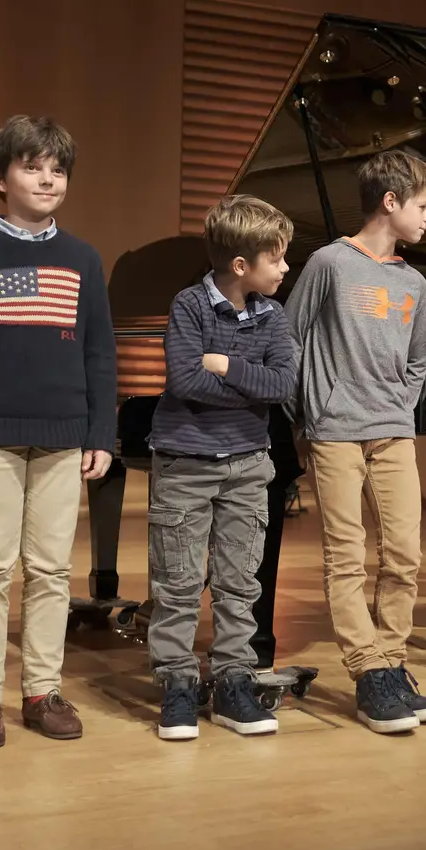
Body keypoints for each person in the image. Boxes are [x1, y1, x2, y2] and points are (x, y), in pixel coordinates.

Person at [0, 115, 117, 747]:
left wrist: (102, 433)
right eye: (31, 167)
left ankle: (42, 690)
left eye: (57, 170)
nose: (47, 179)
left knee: (52, 569)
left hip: (64, 435)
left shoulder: (83, 257)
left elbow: (99, 353)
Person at [284, 150, 426, 734]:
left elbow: (422, 357)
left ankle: (393, 661)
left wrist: (400, 404)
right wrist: (308, 414)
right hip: (335, 434)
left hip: (392, 432)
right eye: (423, 206)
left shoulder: (415, 282)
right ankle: (366, 669)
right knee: (346, 557)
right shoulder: (330, 262)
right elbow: (290, 338)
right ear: (391, 202)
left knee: (405, 554)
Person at [147, 194, 297, 740]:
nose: (285, 268)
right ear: (242, 266)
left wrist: (226, 366)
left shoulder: (274, 315)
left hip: (247, 465)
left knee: (240, 582)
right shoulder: (189, 306)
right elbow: (185, 382)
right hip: (186, 464)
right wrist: (248, 385)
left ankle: (234, 681)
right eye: (277, 259)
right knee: (179, 583)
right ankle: (178, 683)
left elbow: (284, 384)